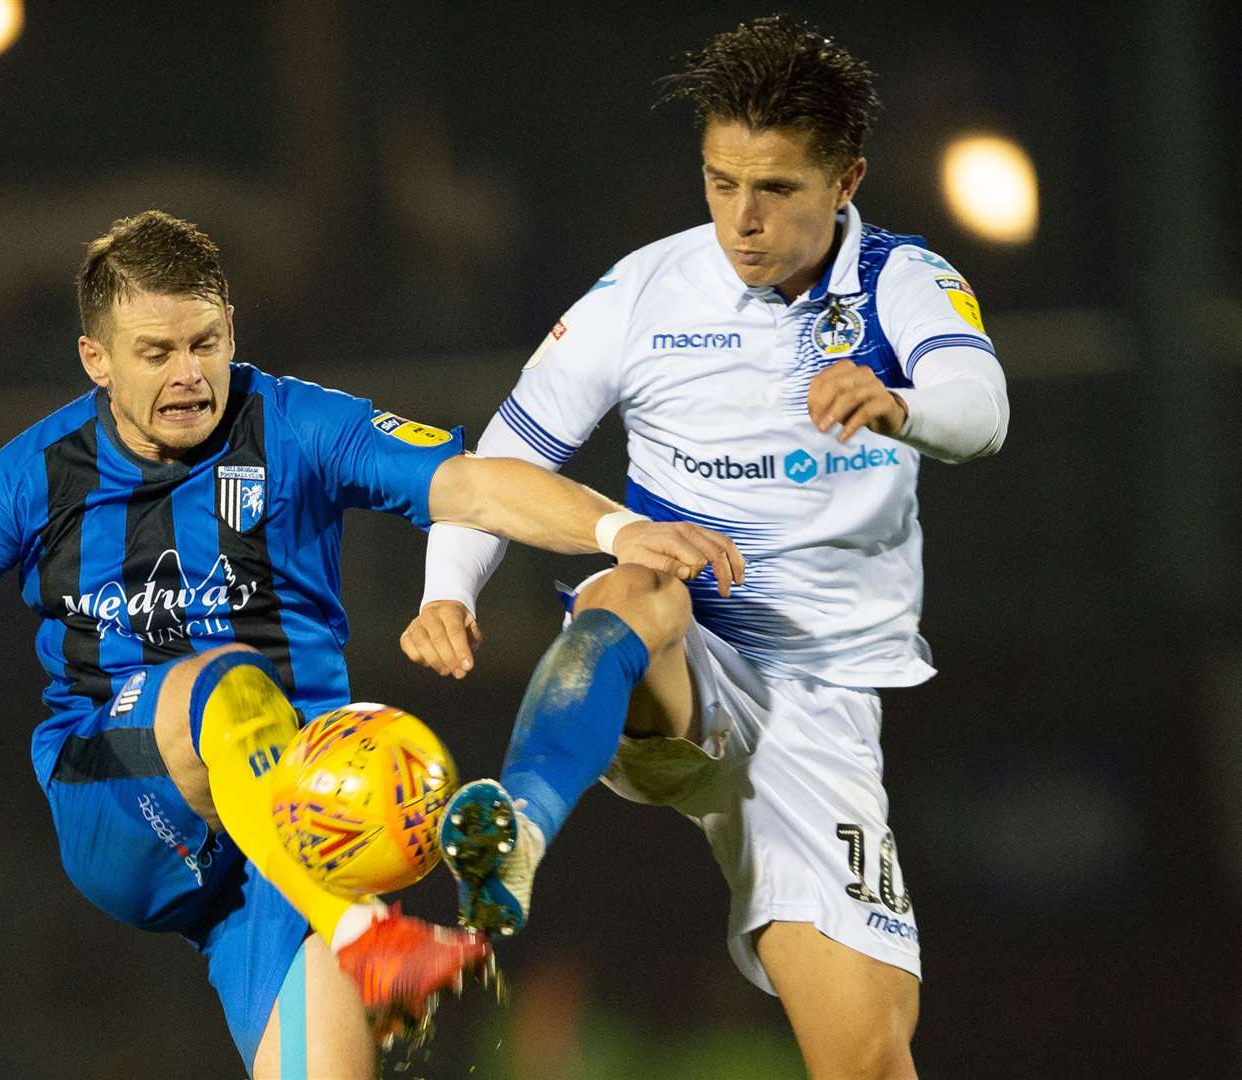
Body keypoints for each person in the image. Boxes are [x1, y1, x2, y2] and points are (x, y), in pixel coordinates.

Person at [0, 210, 741, 1079]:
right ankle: (367, 938)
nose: (189, 374)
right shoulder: (33, 475)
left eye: (206, 343)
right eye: (157, 353)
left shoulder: (299, 425)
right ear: (96, 360)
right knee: (227, 679)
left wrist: (618, 531)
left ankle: (344, 933)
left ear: (232, 329)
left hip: (292, 829)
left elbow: (475, 489)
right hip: (121, 793)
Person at [401, 17, 1009, 1080]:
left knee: (868, 1058)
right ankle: (519, 835)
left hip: (818, 707)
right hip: (681, 665)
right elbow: (502, 458)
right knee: (634, 587)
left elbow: (981, 405)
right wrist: (448, 587)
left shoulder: (901, 283)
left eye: (775, 188)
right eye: (721, 181)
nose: (742, 216)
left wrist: (898, 403)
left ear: (846, 178)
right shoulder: (643, 292)